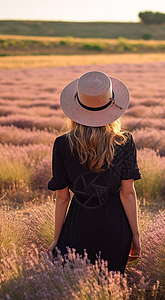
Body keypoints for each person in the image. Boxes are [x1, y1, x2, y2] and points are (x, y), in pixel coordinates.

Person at [46, 71, 141, 274]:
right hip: (116, 225)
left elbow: (62, 197)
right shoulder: (124, 142)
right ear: (112, 105)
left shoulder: (62, 144)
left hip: (77, 224)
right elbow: (128, 193)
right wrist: (135, 235)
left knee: (76, 289)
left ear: (76, 108)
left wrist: (57, 238)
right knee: (110, 288)